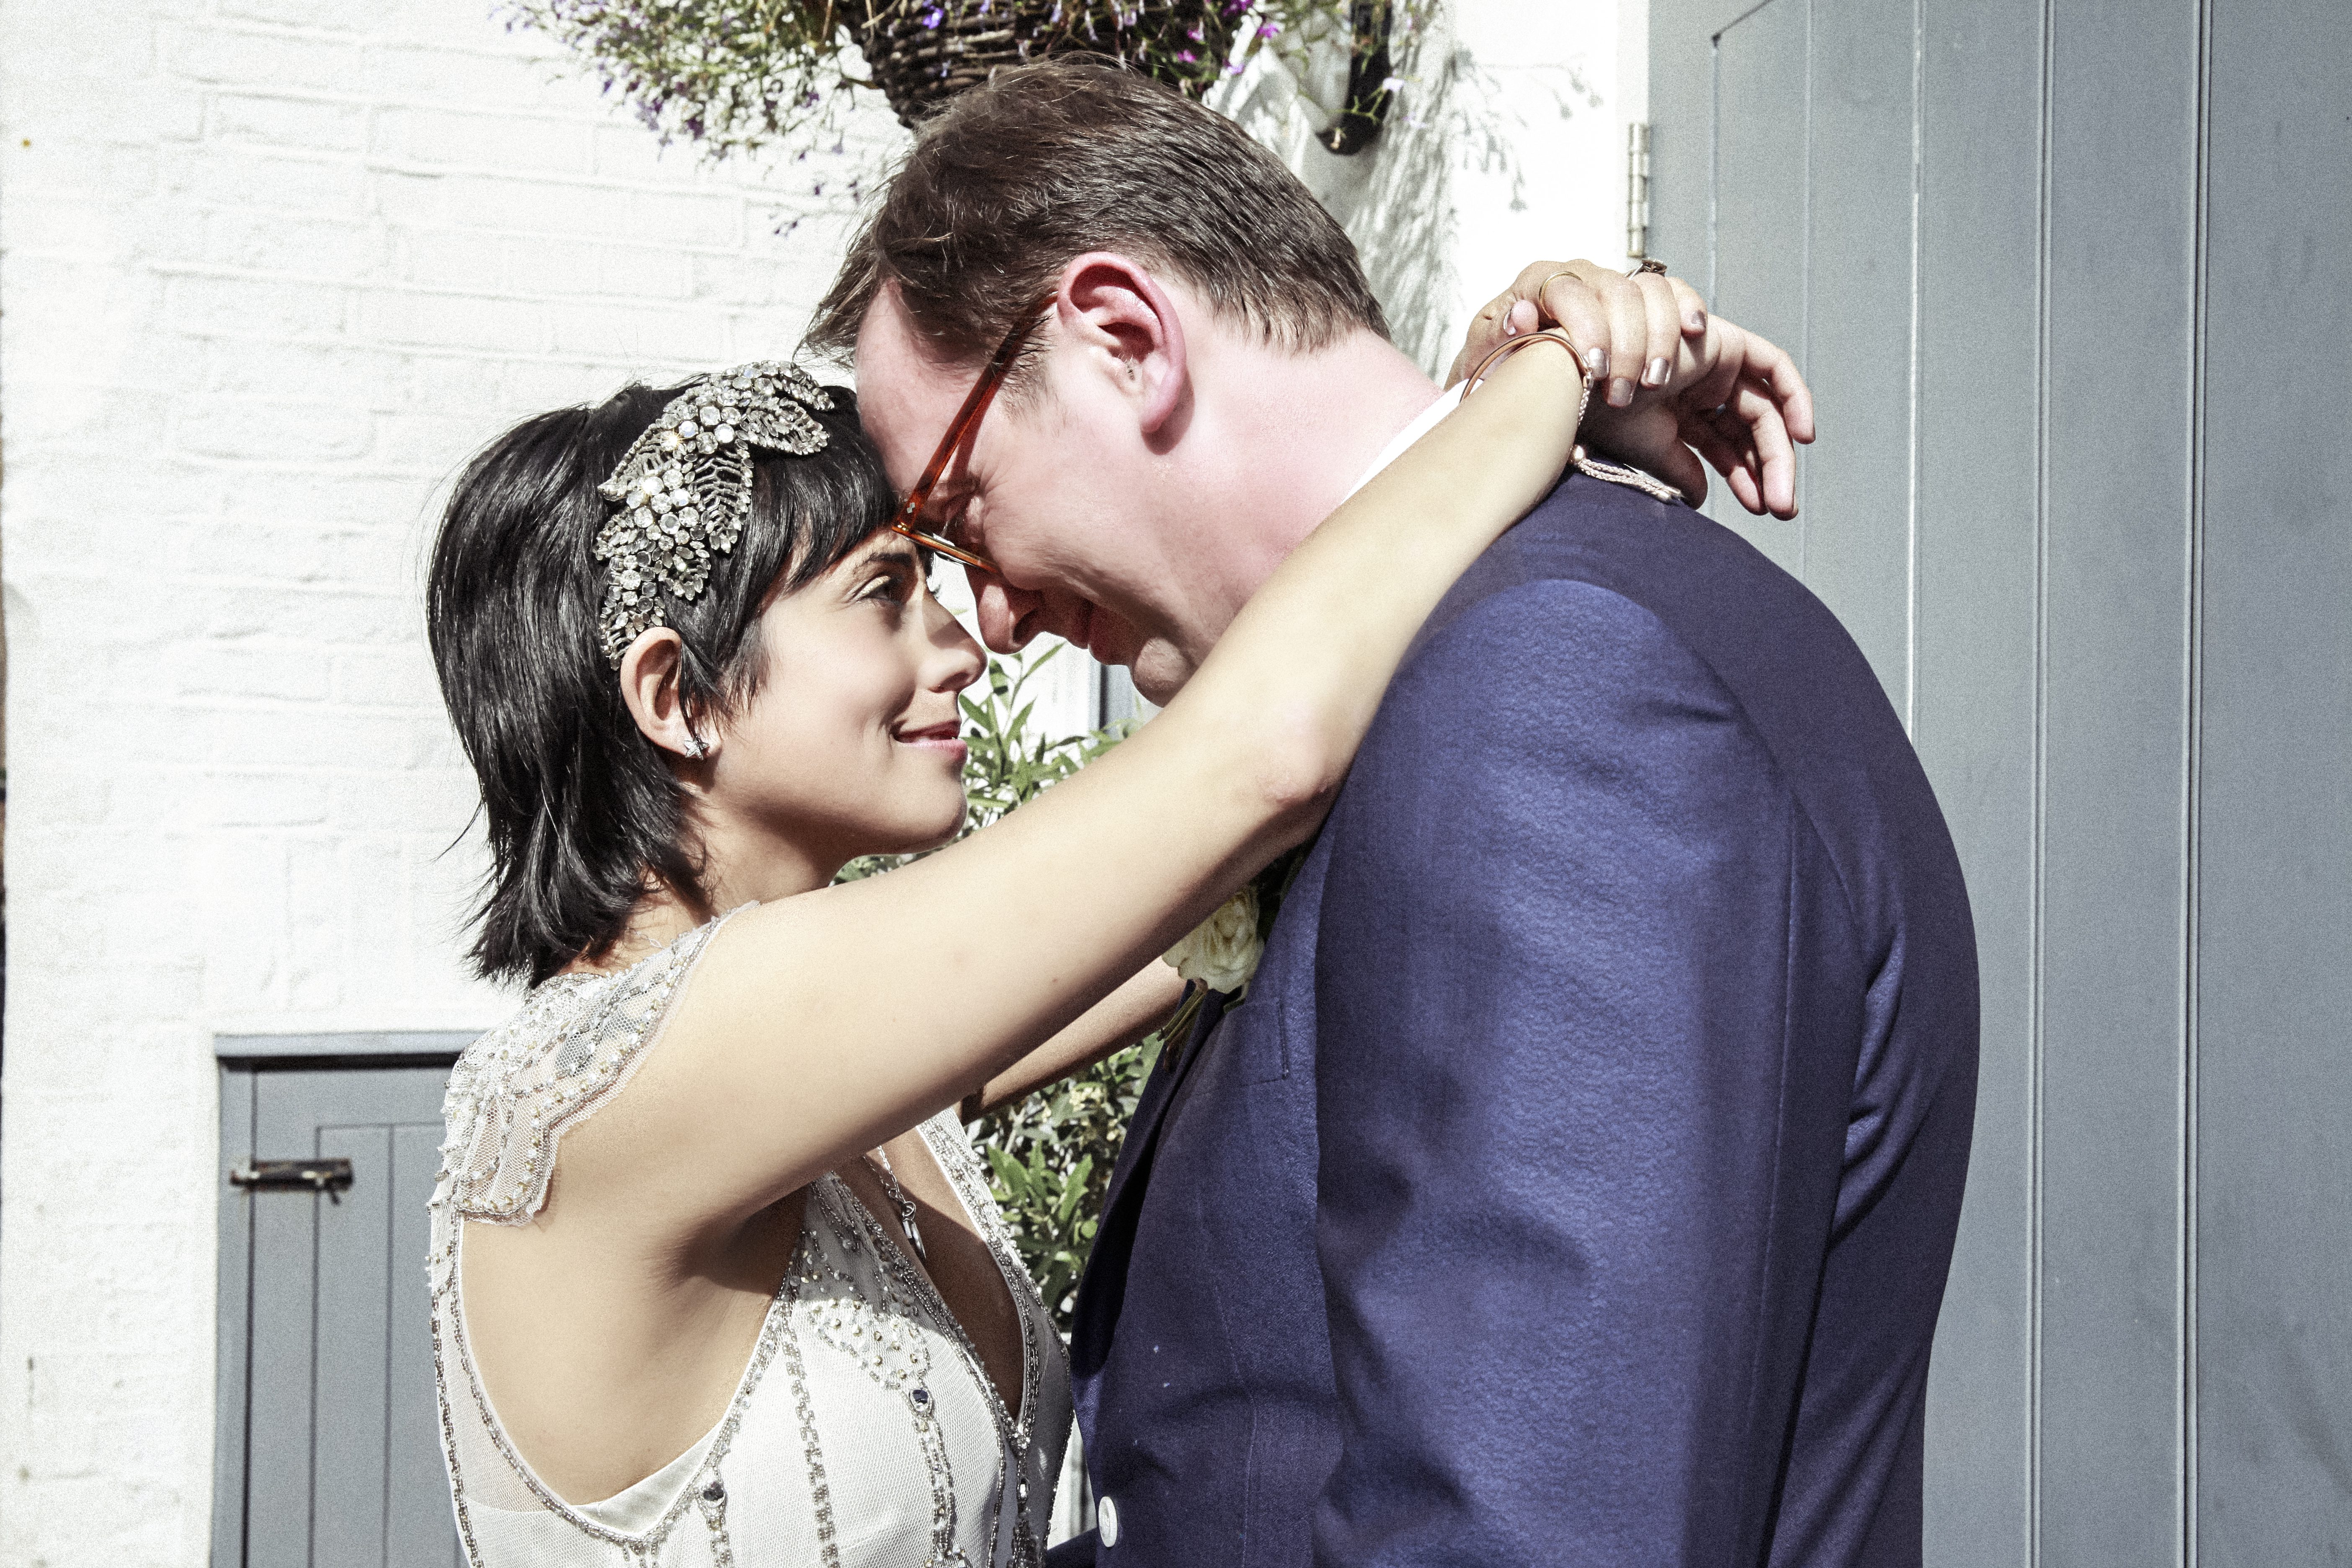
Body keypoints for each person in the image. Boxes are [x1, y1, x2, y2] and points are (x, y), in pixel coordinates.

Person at [420, 223, 1785, 1560]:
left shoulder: (858, 1078)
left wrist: (1467, 400)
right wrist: (1555, 369)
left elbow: (1204, 906)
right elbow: (1254, 764)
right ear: (678, 697)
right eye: (887, 592)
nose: (965, 644)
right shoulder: (613, 1096)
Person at [811, 57, 1978, 1568]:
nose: (996, 616)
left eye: (961, 510)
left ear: (1120, 337)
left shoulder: (1546, 689)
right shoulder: (1453, 676)